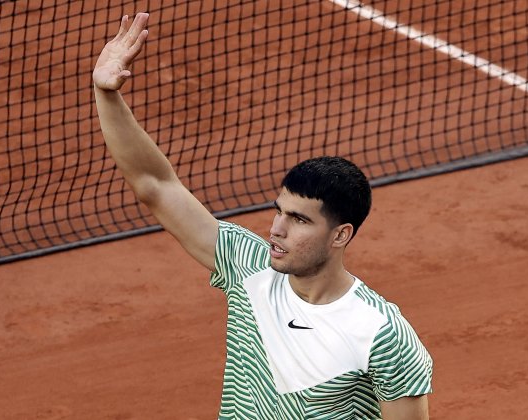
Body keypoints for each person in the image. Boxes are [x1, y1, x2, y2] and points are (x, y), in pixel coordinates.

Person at [93, 13, 433, 419]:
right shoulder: (248, 265)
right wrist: (106, 94)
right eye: (279, 211)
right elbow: (156, 185)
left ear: (340, 235)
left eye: (300, 220)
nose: (277, 229)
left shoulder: (382, 335)